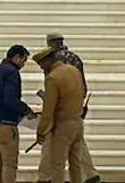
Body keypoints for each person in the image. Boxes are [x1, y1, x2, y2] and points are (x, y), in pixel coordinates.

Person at [45, 33, 100, 183]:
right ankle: (89, 173)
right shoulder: (75, 58)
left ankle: (45, 176)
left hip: (61, 109)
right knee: (77, 143)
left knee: (58, 151)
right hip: (76, 105)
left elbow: (53, 88)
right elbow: (82, 84)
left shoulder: (52, 60)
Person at [33, 47, 92, 183]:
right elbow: (83, 91)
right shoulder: (74, 71)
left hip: (62, 126)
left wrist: (41, 131)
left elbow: (48, 109)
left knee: (57, 165)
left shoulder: (53, 78)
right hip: (77, 123)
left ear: (47, 61)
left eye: (41, 64)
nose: (42, 68)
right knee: (75, 163)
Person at [0, 45, 34, 183]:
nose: (23, 65)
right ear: (17, 57)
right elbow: (10, 99)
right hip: (5, 123)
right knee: (9, 162)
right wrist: (26, 110)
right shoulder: (12, 72)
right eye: (23, 60)